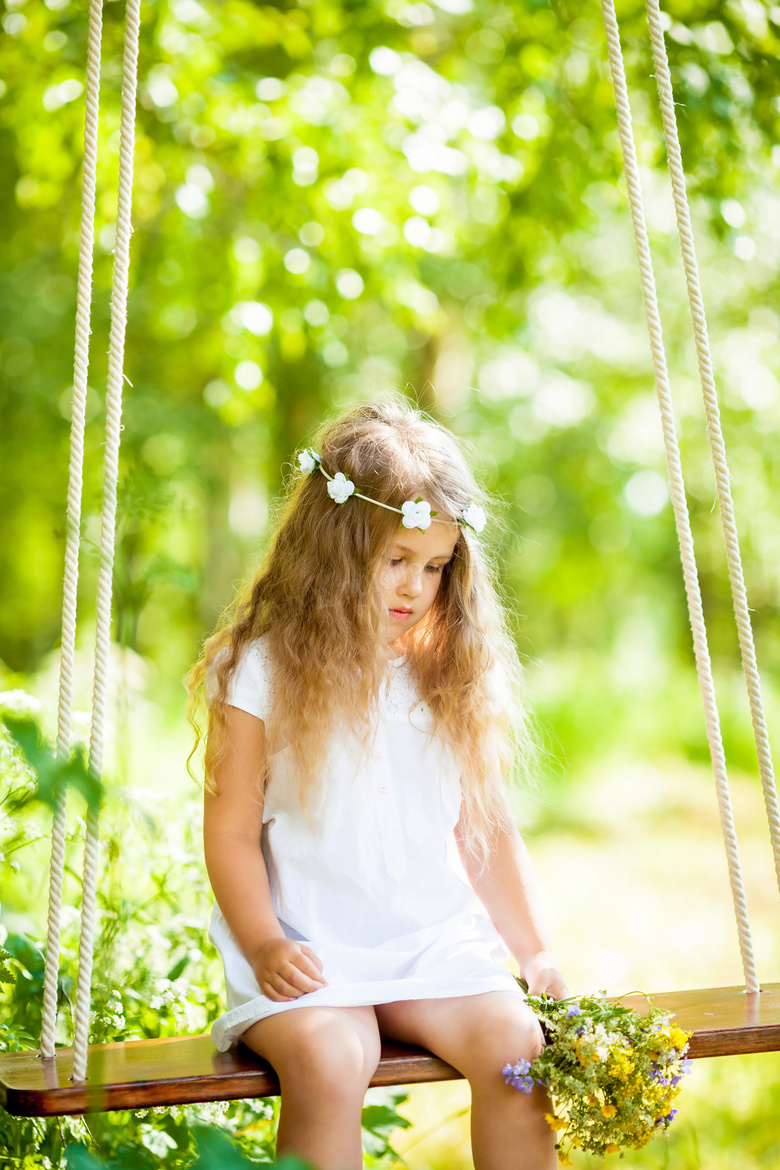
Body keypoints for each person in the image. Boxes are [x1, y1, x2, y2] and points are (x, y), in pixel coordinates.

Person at [187, 396, 568, 1170]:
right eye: (396, 560)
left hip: (430, 943)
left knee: (513, 1045)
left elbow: (483, 830)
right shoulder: (264, 667)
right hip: (308, 945)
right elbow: (230, 832)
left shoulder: (449, 672)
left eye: (435, 567)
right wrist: (263, 942)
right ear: (333, 550)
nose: (414, 588)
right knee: (331, 1059)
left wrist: (534, 953)